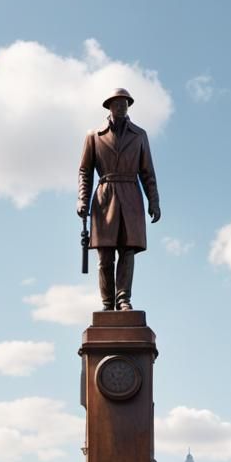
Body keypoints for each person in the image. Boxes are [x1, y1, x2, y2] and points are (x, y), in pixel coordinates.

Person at [77, 87, 161, 311]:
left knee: (127, 251)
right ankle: (107, 302)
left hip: (131, 196)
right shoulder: (94, 136)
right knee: (105, 256)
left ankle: (123, 298)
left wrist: (154, 201)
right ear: (109, 106)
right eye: (117, 103)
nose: (122, 106)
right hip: (105, 197)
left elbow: (148, 172)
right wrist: (82, 199)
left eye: (125, 103)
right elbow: (85, 171)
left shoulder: (139, 135)